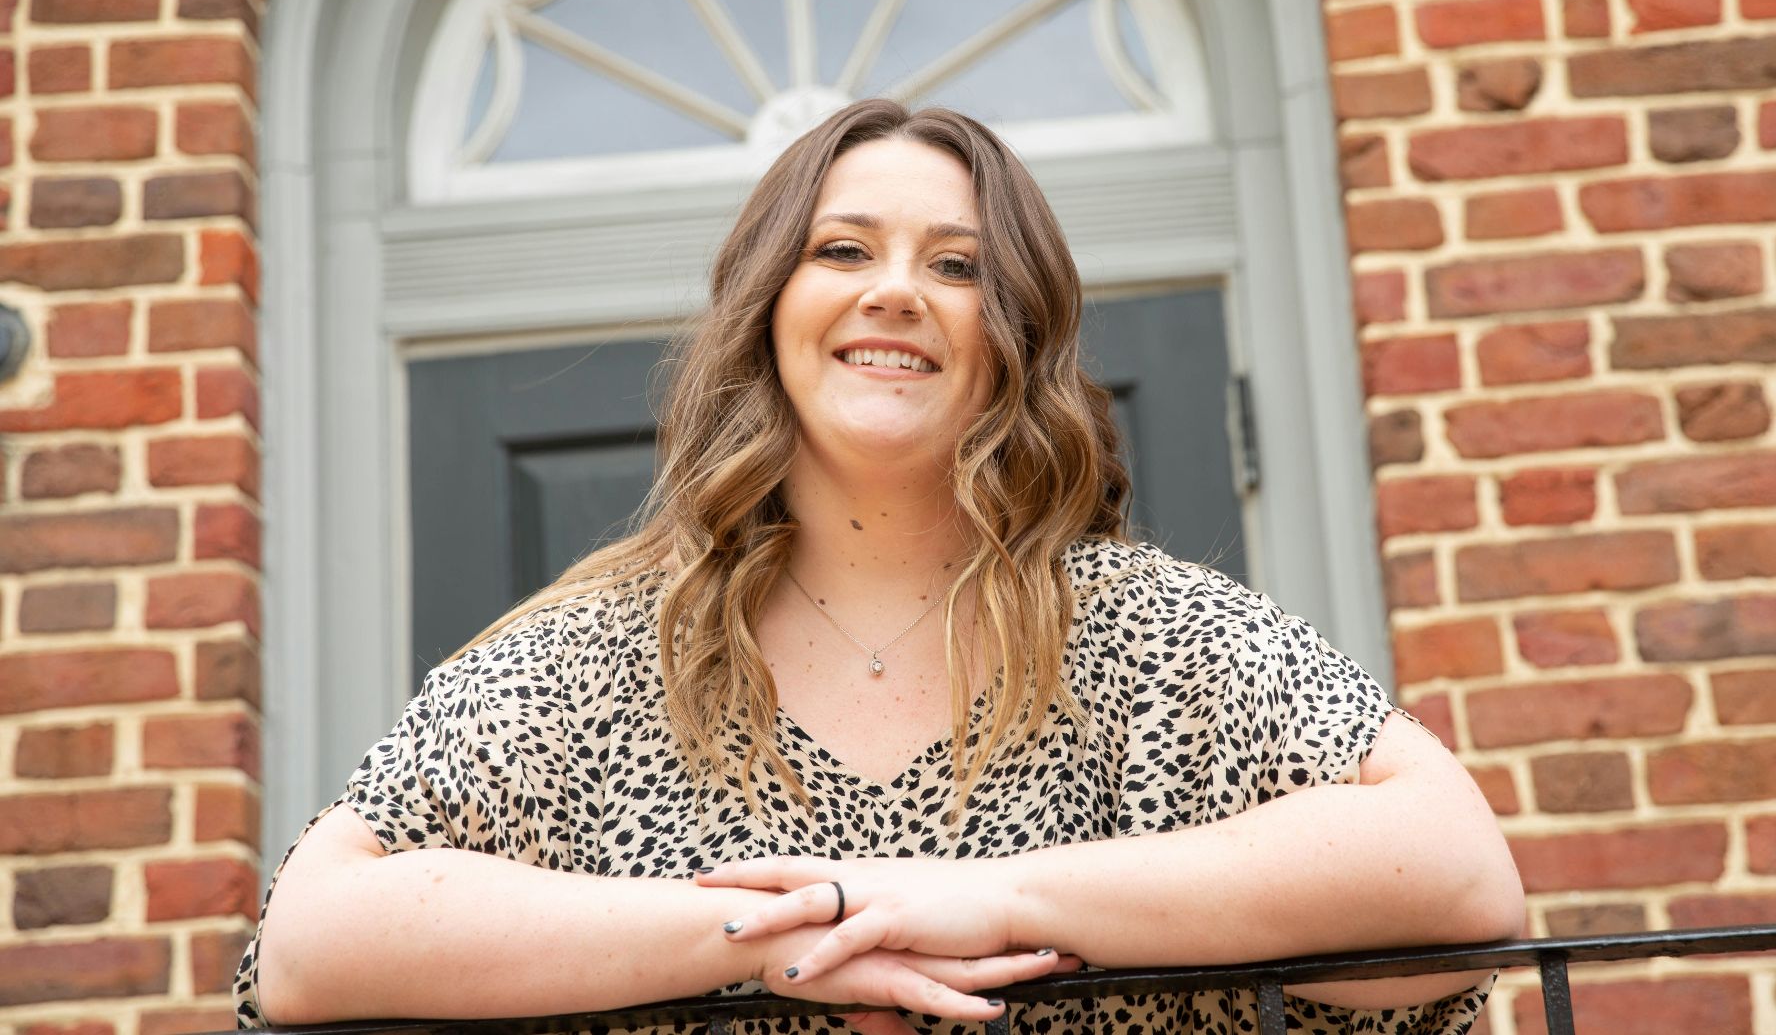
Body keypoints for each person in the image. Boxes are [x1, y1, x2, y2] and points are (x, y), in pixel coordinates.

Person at [234, 98, 1524, 1035]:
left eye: (958, 267)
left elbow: (1457, 874)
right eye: (842, 250)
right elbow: (312, 940)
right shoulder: (601, 659)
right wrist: (777, 935)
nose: (896, 293)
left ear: (1012, 335)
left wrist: (987, 898)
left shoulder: (1152, 638)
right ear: (766, 310)